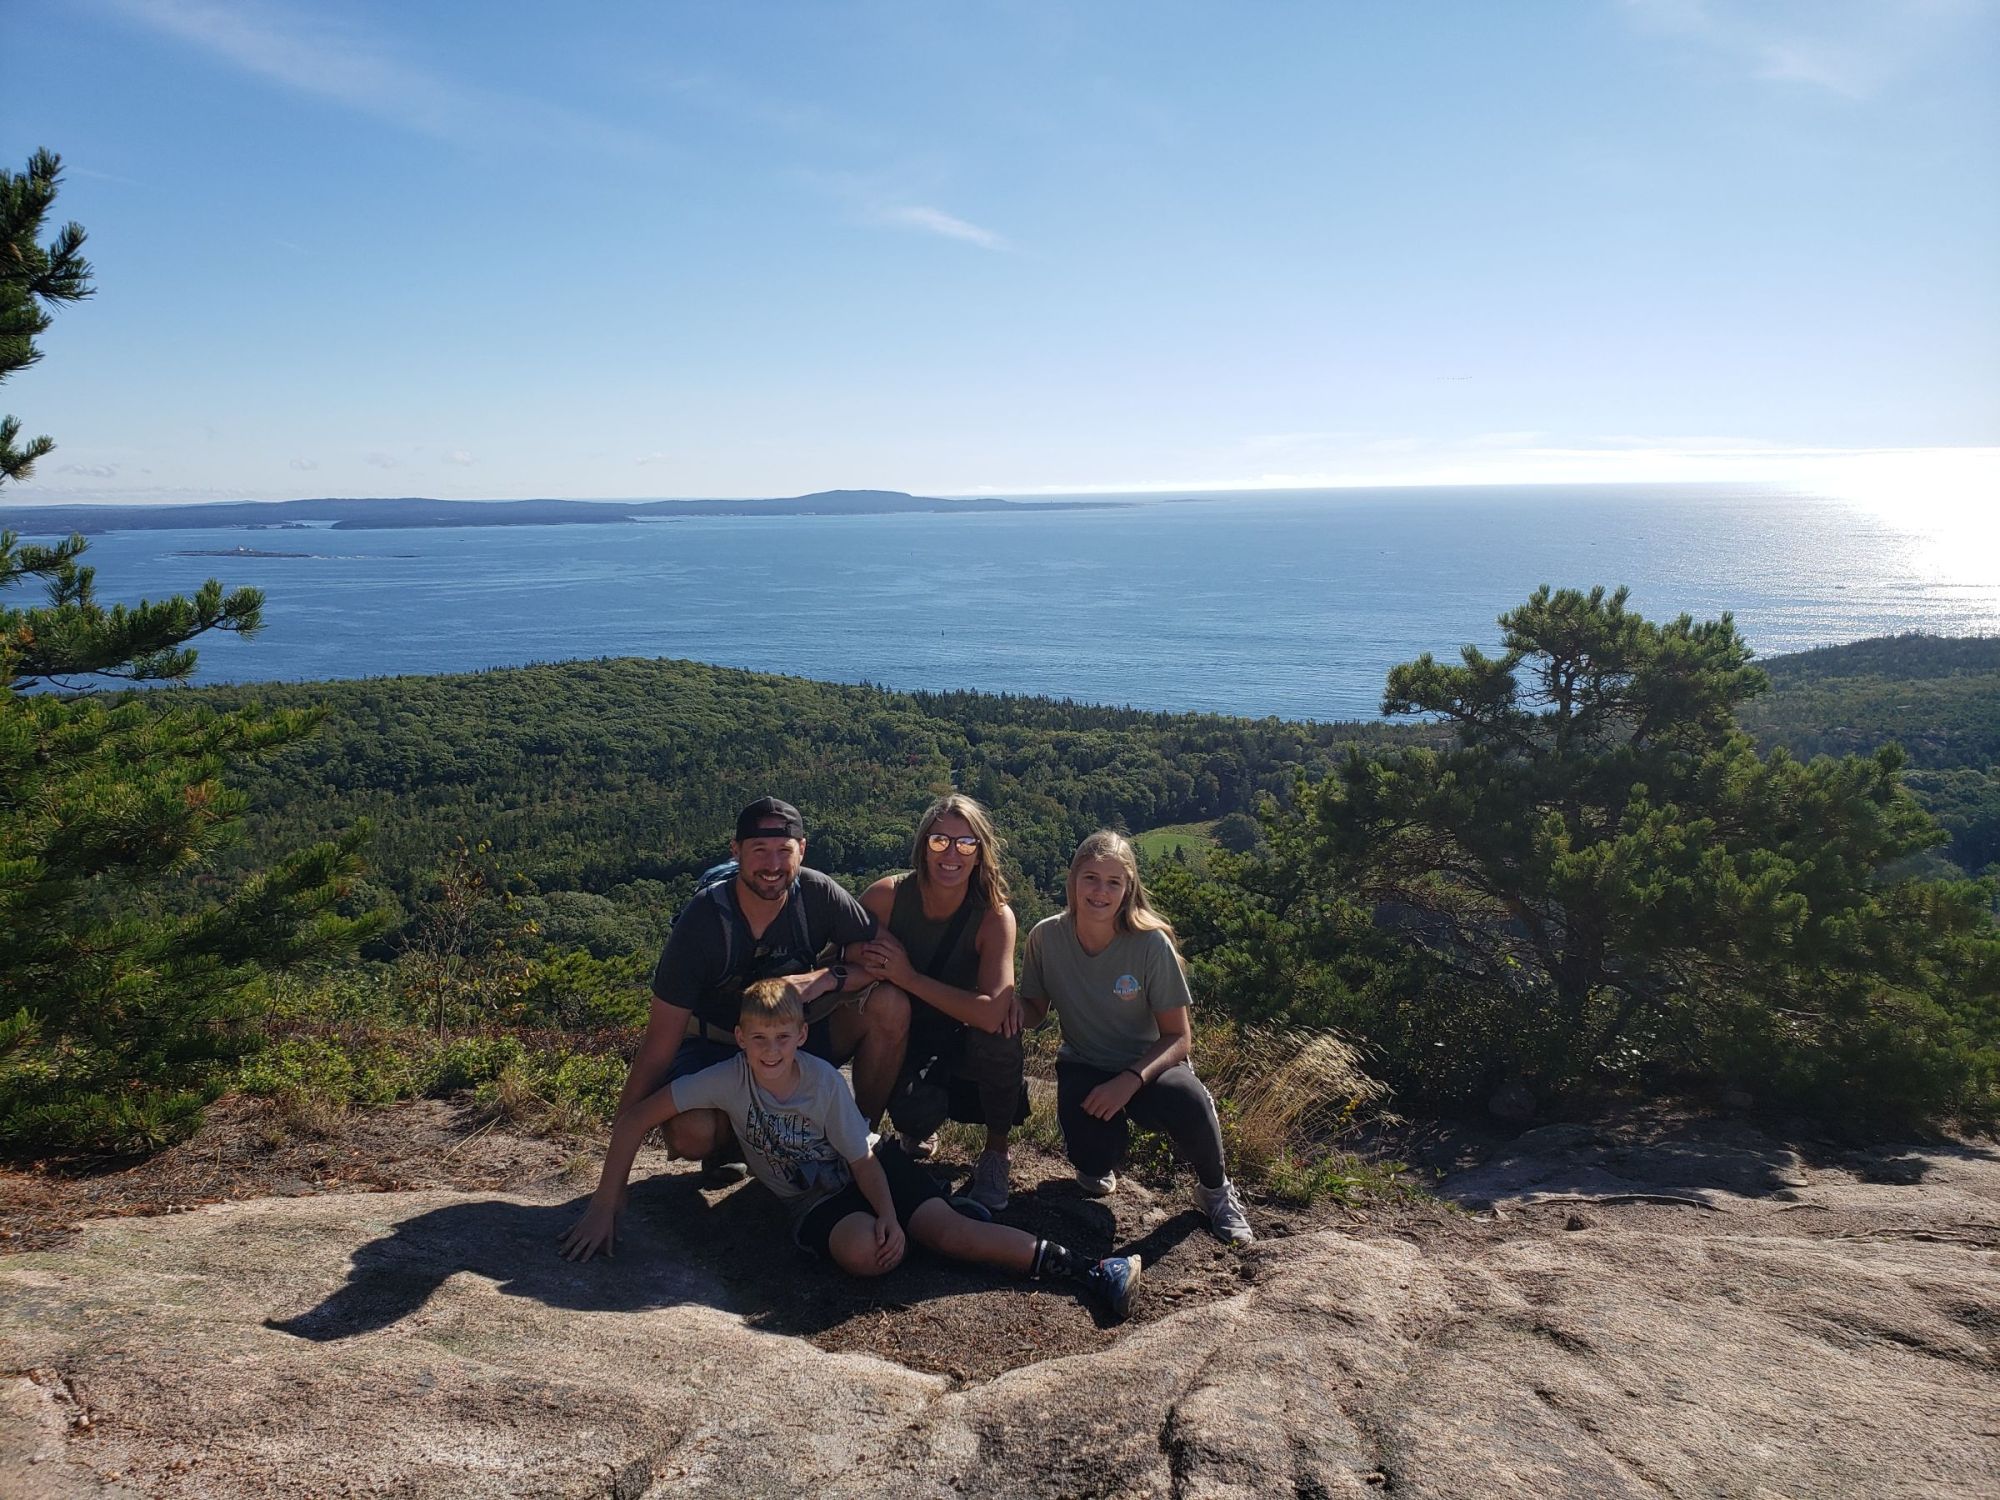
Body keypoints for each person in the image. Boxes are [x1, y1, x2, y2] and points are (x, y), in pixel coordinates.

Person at [560, 979, 1140, 1320]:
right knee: (865, 1258)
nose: (770, 1050)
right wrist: (605, 1204)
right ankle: (933, 1219)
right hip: (813, 1199)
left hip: (868, 1169)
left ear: (801, 1036)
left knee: (949, 1237)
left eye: (782, 1038)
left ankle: (1091, 1270)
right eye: (758, 1039)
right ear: (740, 1039)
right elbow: (638, 1116)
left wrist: (889, 1213)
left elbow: (862, 1159)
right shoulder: (726, 1078)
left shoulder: (821, 1083)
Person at [618, 796, 908, 1179]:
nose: (773, 865)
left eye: (783, 851)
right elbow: (657, 1047)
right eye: (759, 850)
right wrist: (612, 1186)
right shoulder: (704, 922)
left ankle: (857, 1143)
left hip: (789, 1036)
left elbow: (890, 959)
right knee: (692, 1133)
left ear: (802, 851)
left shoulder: (818, 895)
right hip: (717, 1046)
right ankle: (734, 1143)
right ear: (736, 852)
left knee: (889, 1004)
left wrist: (825, 977)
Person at [1018, 830, 1255, 1245]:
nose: (1100, 891)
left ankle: (1215, 1193)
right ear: (1072, 879)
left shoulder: (1149, 944)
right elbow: (1035, 1011)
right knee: (1091, 1169)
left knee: (1187, 1099)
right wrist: (993, 1008)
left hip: (1149, 1066)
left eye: (1114, 882)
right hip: (1084, 1064)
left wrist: (1127, 1082)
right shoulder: (1046, 937)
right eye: (1090, 877)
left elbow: (1179, 1037)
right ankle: (1103, 1153)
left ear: (1128, 888)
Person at [851, 794, 1024, 1211]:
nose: (952, 853)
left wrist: (909, 977)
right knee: (916, 1112)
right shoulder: (887, 897)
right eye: (939, 841)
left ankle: (996, 1154)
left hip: (958, 1039)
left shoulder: (994, 917)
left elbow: (990, 1012)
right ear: (922, 845)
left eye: (966, 844)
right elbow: (842, 961)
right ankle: (861, 1140)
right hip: (899, 1036)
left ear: (980, 853)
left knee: (1003, 1033)